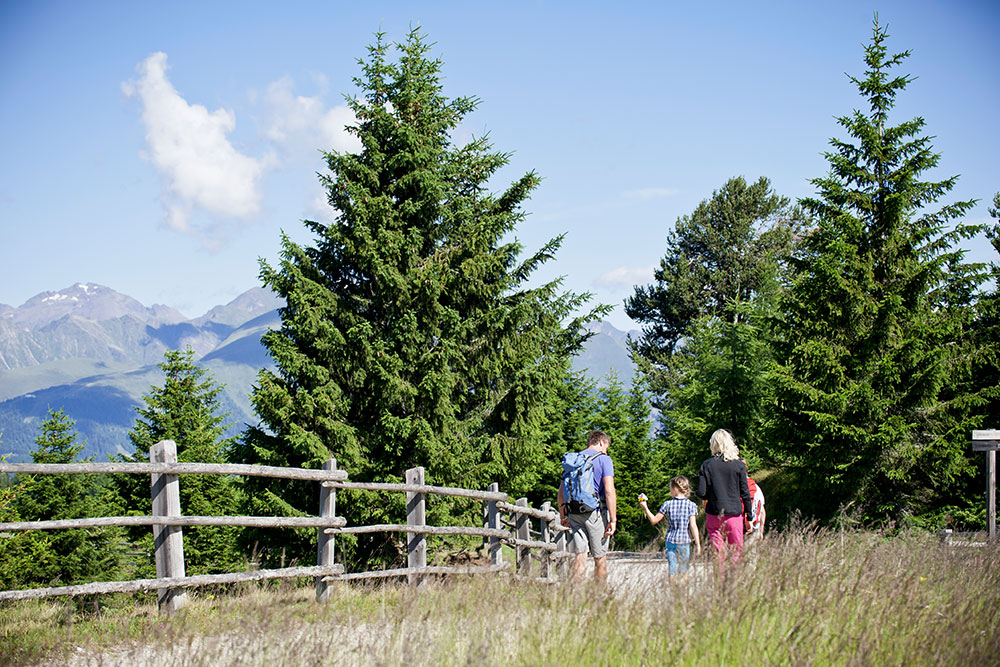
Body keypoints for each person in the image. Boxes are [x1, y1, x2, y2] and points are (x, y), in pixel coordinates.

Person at [558, 430, 617, 581]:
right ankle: (599, 596)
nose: (606, 450)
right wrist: (613, 519)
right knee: (600, 556)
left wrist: (563, 515)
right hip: (594, 512)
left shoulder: (574, 459)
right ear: (602, 442)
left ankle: (576, 595)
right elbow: (609, 491)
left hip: (574, 512)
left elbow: (560, 492)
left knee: (580, 554)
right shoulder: (604, 460)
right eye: (606, 447)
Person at [696, 429, 753, 566]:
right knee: (736, 554)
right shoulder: (739, 465)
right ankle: (734, 583)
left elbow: (701, 492)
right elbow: (745, 493)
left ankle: (720, 585)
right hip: (734, 514)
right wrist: (749, 517)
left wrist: (711, 493)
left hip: (714, 514)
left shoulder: (707, 465)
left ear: (713, 445)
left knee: (718, 555)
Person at [639, 476, 701, 578]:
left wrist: (645, 507)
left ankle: (672, 590)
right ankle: (681, 592)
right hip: (684, 540)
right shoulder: (691, 505)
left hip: (670, 540)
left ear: (675, 488)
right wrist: (698, 544)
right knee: (683, 569)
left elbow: (654, 520)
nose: (670, 490)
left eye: (670, 488)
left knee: (672, 569)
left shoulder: (667, 504)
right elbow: (693, 526)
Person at [740, 457, 766, 546]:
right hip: (754, 527)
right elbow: (762, 511)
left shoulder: (732, 487)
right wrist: (761, 531)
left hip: (736, 527)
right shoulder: (755, 487)